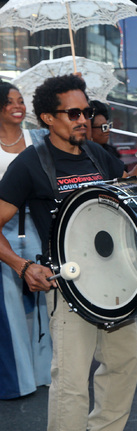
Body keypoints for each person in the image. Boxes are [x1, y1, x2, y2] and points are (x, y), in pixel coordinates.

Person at [0, 74, 137, 430]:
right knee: (71, 383)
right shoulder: (30, 163)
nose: (83, 120)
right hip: (69, 286)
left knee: (122, 367)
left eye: (87, 112)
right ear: (48, 118)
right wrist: (21, 266)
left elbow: (126, 191)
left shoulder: (97, 153)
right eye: (73, 113)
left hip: (117, 283)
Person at [0, 82, 51, 400]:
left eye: (21, 101)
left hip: (36, 227)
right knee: (8, 311)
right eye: (10, 102)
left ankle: (48, 372)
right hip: (2, 234)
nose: (18, 106)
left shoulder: (39, 139)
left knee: (48, 302)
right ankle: (18, 381)